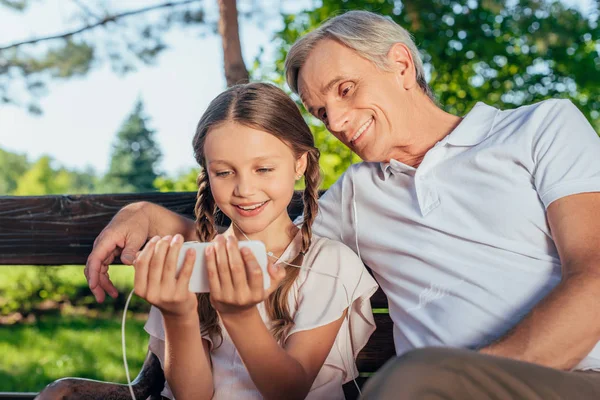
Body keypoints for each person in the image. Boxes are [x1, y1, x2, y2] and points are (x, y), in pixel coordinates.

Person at [86, 10, 600, 399]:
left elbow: (595, 273)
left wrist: (463, 379)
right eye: (320, 110)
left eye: (346, 89)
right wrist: (151, 217)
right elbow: (260, 242)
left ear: (400, 64)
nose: (335, 120)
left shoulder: (540, 128)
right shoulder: (357, 193)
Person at [130, 82, 378, 399]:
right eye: (223, 172)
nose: (244, 189)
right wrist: (178, 316)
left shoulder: (328, 263)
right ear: (207, 172)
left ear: (299, 163)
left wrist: (239, 315)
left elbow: (289, 391)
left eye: (263, 168)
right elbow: (192, 396)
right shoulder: (192, 263)